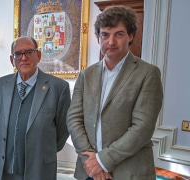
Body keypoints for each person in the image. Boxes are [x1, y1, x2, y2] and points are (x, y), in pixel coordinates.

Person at [67, 5, 164, 180]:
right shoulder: (86, 75)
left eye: (119, 34)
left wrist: (103, 161)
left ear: (131, 36)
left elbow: (142, 128)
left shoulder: (148, 74)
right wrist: (92, 161)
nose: (111, 41)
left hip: (129, 172)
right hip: (89, 171)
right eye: (105, 34)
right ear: (98, 38)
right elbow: (74, 119)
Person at [0, 36, 71, 180]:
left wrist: (44, 149)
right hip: (4, 171)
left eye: (29, 52)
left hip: (39, 169)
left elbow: (63, 131)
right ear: (12, 59)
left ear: (38, 55)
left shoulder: (58, 88)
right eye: (18, 54)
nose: (24, 58)